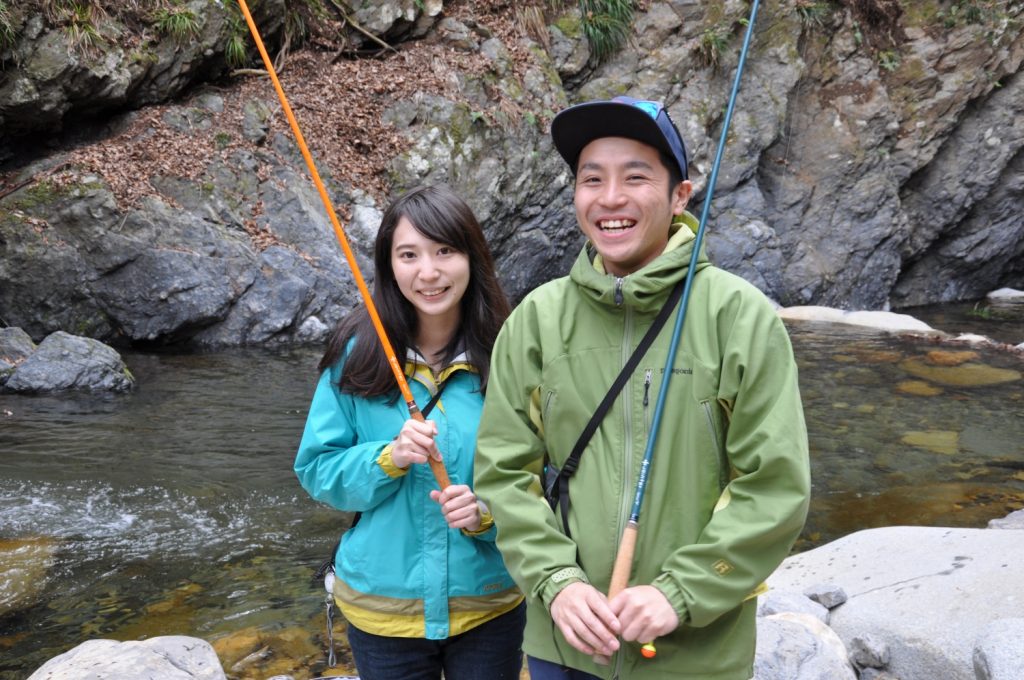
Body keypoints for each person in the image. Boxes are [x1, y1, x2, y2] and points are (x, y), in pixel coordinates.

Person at [474, 96, 811, 680]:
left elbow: (774, 486)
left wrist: (679, 593)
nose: (610, 199)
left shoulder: (741, 317)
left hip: (698, 655)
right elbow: (505, 474)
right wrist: (556, 582)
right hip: (565, 645)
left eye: (636, 177)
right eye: (591, 179)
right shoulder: (534, 321)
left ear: (681, 195)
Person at [295, 184, 524, 680]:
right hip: (383, 609)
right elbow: (317, 471)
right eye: (409, 254)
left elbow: (544, 479)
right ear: (388, 264)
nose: (428, 272)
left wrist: (488, 515)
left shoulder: (513, 352)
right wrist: (389, 458)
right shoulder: (357, 352)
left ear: (473, 257)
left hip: (491, 603)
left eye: (445, 251)